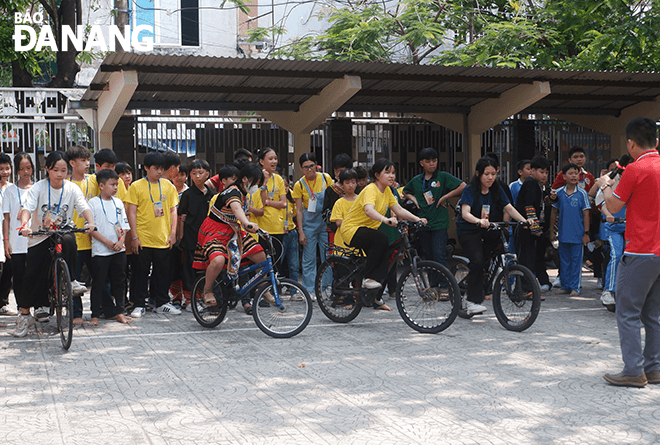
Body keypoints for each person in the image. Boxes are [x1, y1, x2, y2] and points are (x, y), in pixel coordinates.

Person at [597, 117, 660, 388]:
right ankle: (654, 367)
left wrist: (604, 184)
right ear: (656, 141)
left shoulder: (636, 169)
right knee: (654, 313)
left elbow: (613, 206)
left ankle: (634, 370)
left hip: (640, 251)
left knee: (627, 310)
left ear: (631, 143)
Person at [14, 151, 95, 337]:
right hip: (40, 235)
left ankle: (72, 281)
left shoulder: (72, 188)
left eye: (64, 170)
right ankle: (24, 316)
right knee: (32, 274)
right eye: (55, 170)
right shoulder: (39, 188)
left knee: (70, 240)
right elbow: (27, 207)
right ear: (48, 169)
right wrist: (25, 225)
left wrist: (90, 222)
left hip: (62, 231)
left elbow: (83, 207)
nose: (60, 174)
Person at [455, 156, 534, 315]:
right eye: (486, 174)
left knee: (500, 239)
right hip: (468, 230)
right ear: (478, 174)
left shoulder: (497, 189)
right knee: (477, 261)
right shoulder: (470, 190)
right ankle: (471, 302)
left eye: (493, 174)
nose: (490, 177)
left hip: (487, 228)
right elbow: (465, 213)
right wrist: (478, 221)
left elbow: (509, 208)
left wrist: (524, 220)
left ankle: (488, 274)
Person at [340, 158, 425, 301]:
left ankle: (376, 299)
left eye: (393, 172)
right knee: (381, 238)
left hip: (367, 231)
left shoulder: (387, 192)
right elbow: (369, 210)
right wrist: (385, 220)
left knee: (385, 259)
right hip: (352, 230)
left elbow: (398, 209)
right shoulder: (371, 190)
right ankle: (367, 279)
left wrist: (417, 219)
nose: (392, 176)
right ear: (377, 175)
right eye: (387, 172)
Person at [193, 163, 273, 306]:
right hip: (214, 232)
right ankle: (207, 289)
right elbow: (237, 210)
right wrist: (246, 223)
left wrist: (254, 228)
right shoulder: (232, 192)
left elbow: (241, 217)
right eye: (255, 182)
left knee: (260, 255)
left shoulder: (244, 194)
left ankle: (262, 288)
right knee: (218, 261)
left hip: (233, 231)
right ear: (245, 179)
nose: (256, 186)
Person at [126, 152, 181, 318]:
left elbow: (173, 211)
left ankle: (162, 302)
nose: (158, 172)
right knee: (140, 272)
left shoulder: (168, 186)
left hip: (163, 237)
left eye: (161, 169)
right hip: (143, 237)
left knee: (163, 272)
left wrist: (173, 234)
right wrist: (134, 237)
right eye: (155, 168)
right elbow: (132, 213)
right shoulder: (136, 186)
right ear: (146, 168)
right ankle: (139, 304)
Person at [403, 147, 465, 268]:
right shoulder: (417, 180)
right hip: (423, 222)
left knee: (439, 254)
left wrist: (445, 197)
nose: (432, 163)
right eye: (428, 161)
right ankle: (432, 284)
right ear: (421, 163)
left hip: (439, 223)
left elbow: (463, 186)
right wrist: (414, 200)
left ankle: (443, 284)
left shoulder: (443, 177)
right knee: (427, 255)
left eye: (434, 160)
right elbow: (405, 191)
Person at [88, 169, 132, 325]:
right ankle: (94, 314)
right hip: (101, 250)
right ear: (101, 185)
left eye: (117, 184)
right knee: (99, 283)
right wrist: (107, 242)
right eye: (112, 184)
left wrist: (121, 241)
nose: (115, 188)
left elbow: (124, 225)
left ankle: (120, 311)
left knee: (120, 281)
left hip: (119, 249)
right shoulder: (92, 203)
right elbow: (90, 229)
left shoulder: (118, 202)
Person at [292, 153, 334, 297]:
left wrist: (331, 222)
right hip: (308, 225)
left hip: (324, 224)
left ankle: (327, 286)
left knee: (327, 255)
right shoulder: (299, 185)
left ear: (316, 164)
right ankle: (309, 289)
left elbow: (333, 200)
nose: (309, 170)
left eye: (312, 166)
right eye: (305, 167)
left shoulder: (326, 178)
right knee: (309, 258)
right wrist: (301, 232)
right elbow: (298, 210)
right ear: (300, 168)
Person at [177, 160, 214, 309]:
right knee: (189, 270)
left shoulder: (212, 194)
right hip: (191, 237)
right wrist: (180, 236)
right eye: (193, 173)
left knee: (205, 269)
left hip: (208, 239)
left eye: (200, 173)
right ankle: (189, 300)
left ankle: (204, 297)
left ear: (207, 174)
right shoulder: (187, 194)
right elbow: (181, 216)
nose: (197, 176)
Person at [549, 163, 591, 296]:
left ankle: (575, 287)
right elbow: (553, 212)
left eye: (576, 173)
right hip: (563, 233)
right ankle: (565, 286)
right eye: (571, 173)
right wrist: (551, 230)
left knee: (576, 262)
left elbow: (586, 214)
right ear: (564, 176)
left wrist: (586, 233)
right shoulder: (559, 193)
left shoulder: (582, 194)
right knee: (564, 261)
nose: (574, 176)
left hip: (578, 235)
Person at [66, 145, 95, 325]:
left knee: (101, 279)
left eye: (87, 160)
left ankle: (102, 311)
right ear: (72, 163)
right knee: (74, 282)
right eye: (82, 161)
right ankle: (76, 314)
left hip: (94, 241)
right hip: (74, 242)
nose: (87, 164)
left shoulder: (94, 180)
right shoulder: (66, 184)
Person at [515, 156, 551, 293]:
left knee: (531, 257)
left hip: (530, 227)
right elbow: (529, 207)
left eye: (546, 172)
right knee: (526, 259)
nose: (544, 175)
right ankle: (525, 289)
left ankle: (528, 288)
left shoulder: (537, 185)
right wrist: (535, 228)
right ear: (533, 171)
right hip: (526, 228)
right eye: (542, 172)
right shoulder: (531, 184)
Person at [595, 158, 627, 311]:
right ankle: (608, 290)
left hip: (632, 226)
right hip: (614, 226)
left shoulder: (633, 179)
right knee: (616, 254)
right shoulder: (608, 180)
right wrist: (608, 214)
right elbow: (600, 202)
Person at [0, 152, 25, 317]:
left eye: (7, 168)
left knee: (8, 270)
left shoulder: (12, 189)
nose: (4, 172)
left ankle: (3, 303)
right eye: (1, 169)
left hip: (10, 236)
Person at [256, 148, 286, 271]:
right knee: (262, 263)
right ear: (262, 161)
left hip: (277, 227)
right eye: (270, 158)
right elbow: (260, 203)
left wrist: (268, 202)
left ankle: (274, 288)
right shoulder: (256, 179)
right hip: (261, 228)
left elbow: (284, 203)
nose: (274, 161)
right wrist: (264, 182)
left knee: (276, 262)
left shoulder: (278, 179)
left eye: (275, 158)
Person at [322, 153, 353, 242]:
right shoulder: (330, 190)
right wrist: (334, 225)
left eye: (341, 170)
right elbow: (325, 212)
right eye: (336, 171)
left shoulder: (356, 188)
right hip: (334, 231)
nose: (339, 174)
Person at [281, 177, 300, 283]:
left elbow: (296, 212)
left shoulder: (292, 195)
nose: (285, 188)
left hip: (292, 231)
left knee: (294, 264)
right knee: (278, 263)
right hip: (279, 233)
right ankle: (276, 290)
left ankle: (294, 290)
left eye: (287, 185)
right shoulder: (272, 198)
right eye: (282, 186)